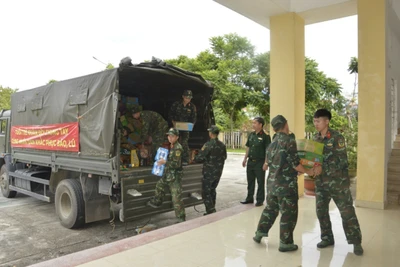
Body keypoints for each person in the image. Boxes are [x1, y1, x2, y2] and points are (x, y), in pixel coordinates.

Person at [253, 115, 315, 252]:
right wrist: (309, 172)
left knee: (270, 210)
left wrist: (294, 170)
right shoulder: (289, 141)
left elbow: (272, 163)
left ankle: (259, 233)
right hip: (286, 187)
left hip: (272, 184)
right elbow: (296, 164)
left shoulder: (272, 143)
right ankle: (286, 243)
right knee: (288, 214)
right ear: (286, 124)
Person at [312, 109, 363, 256]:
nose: (316, 124)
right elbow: (315, 159)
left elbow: (342, 161)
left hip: (338, 182)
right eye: (314, 121)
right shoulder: (316, 138)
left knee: (347, 212)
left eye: (318, 121)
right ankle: (327, 237)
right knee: (321, 211)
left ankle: (356, 241)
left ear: (326, 121)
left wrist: (323, 167)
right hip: (321, 183)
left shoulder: (336, 137)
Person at [147, 128, 186, 222]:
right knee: (159, 185)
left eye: (172, 136)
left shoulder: (178, 148)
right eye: (169, 136)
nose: (170, 138)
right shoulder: (171, 146)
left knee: (176, 199)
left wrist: (164, 162)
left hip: (175, 177)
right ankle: (157, 202)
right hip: (168, 174)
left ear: (177, 137)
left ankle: (181, 219)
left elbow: (176, 164)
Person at [194, 125, 227, 215]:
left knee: (206, 191)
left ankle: (210, 210)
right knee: (213, 189)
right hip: (218, 172)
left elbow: (199, 158)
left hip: (209, 172)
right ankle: (212, 208)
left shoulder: (208, 145)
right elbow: (224, 157)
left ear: (211, 133)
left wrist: (194, 157)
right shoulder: (222, 145)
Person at [240, 117, 271, 206]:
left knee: (260, 182)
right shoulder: (252, 134)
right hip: (251, 162)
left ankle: (260, 200)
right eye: (252, 123)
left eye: (255, 123)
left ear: (260, 124)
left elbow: (267, 150)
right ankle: (249, 198)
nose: (253, 125)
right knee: (250, 181)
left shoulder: (265, 136)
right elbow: (248, 147)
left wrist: (266, 163)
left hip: (260, 162)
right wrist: (245, 159)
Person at [168, 90, 197, 165]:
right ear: (183, 97)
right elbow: (171, 114)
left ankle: (185, 160)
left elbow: (194, 118)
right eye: (187, 97)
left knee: (184, 143)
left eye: (190, 98)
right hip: (176, 126)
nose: (188, 99)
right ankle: (173, 159)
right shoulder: (176, 104)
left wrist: (192, 125)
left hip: (185, 127)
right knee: (173, 142)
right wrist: (173, 122)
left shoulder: (192, 107)